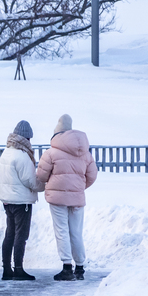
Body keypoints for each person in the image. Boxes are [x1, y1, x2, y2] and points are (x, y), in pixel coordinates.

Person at [36, 114, 97, 281]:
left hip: (57, 199)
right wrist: (78, 188)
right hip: (77, 199)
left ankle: (66, 268)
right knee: (76, 232)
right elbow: (92, 175)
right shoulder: (85, 153)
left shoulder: (51, 153)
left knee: (62, 231)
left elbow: (41, 175)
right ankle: (80, 268)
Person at [0, 120, 40, 281]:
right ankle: (19, 269)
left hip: (7, 200)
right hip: (21, 202)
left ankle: (7, 269)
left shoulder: (7, 151)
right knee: (20, 235)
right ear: (26, 138)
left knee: (10, 234)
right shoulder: (22, 155)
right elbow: (30, 181)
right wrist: (43, 184)